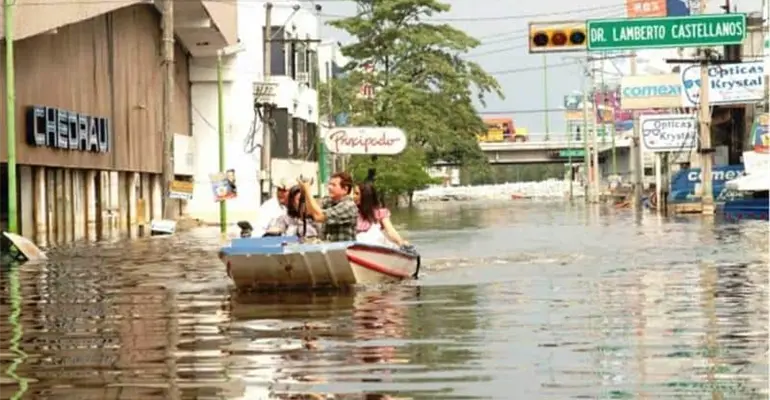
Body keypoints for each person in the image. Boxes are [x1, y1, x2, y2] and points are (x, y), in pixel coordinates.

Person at [298, 172, 358, 242]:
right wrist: (304, 192)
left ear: (345, 189)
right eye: (329, 184)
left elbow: (319, 216)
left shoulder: (349, 206)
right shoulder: (328, 201)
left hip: (342, 250)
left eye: (333, 185)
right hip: (328, 249)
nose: (329, 187)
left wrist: (308, 190)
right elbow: (308, 212)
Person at [352, 182, 409, 248]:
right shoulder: (353, 212)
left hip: (376, 248)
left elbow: (390, 231)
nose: (353, 196)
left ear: (366, 196)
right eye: (354, 193)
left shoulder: (380, 213)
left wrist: (401, 242)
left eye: (357, 193)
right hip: (357, 248)